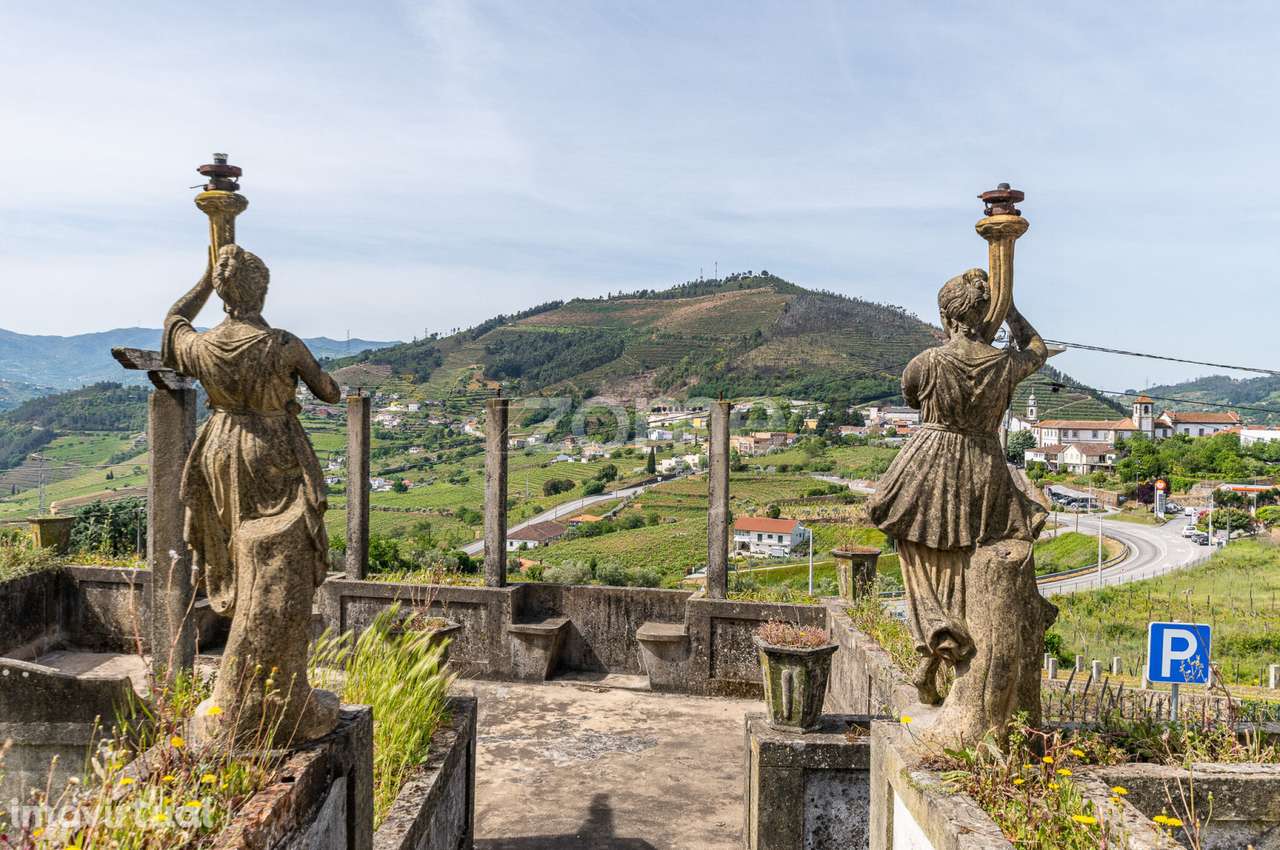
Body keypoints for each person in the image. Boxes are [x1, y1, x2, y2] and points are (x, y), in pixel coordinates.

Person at [164, 243, 341, 743]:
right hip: (272, 450)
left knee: (244, 566)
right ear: (262, 289)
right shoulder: (282, 344)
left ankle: (249, 694)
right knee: (281, 570)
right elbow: (327, 391)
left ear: (220, 293)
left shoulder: (201, 346)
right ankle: (270, 698)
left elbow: (174, 319)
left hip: (220, 452)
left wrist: (203, 278)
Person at [867, 267, 1048, 703]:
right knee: (972, 560)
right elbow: (1038, 350)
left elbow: (913, 396)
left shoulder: (926, 363)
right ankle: (940, 651)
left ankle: (934, 641)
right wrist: (1010, 312)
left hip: (929, 461)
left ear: (946, 317)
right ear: (984, 313)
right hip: (984, 465)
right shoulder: (1005, 363)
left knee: (921, 553)